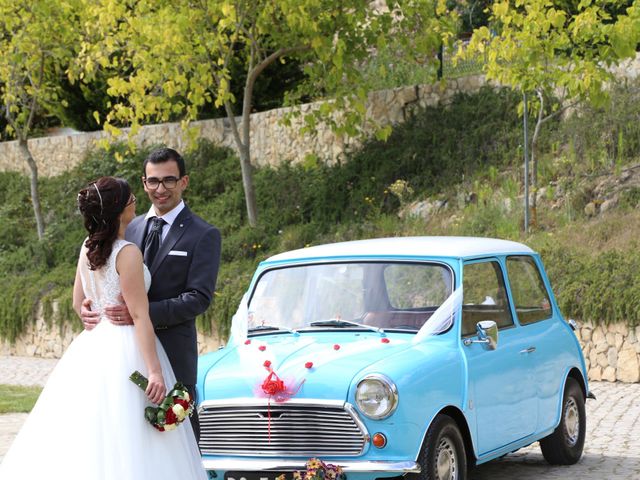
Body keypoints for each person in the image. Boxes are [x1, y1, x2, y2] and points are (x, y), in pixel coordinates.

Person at [0, 177, 207, 479]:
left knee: (91, 429)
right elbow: (139, 315)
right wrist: (155, 371)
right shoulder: (127, 253)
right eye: (131, 197)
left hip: (93, 344)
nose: (136, 200)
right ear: (120, 209)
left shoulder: (87, 247)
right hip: (127, 347)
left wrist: (88, 310)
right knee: (131, 431)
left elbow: (77, 303)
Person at [80, 147, 221, 441]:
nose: (161, 189)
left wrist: (139, 313)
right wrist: (86, 305)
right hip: (123, 357)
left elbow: (199, 297)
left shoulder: (203, 234)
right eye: (153, 181)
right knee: (127, 437)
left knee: (178, 442)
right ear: (143, 183)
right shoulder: (126, 227)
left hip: (172, 352)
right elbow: (102, 276)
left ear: (184, 182)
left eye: (169, 180)